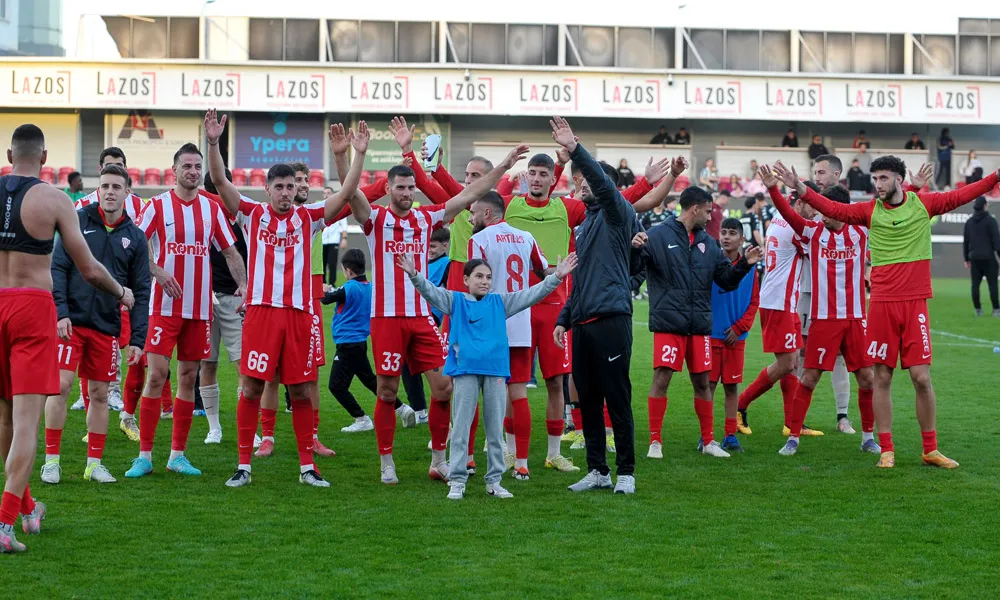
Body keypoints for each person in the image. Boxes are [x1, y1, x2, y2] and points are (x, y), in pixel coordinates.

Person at [346, 129, 528, 486]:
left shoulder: (425, 218)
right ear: (388, 189)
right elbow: (351, 192)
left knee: (444, 388)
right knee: (387, 391)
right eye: (400, 187)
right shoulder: (376, 220)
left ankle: (439, 461)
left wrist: (504, 166)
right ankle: (387, 462)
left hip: (421, 316)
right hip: (386, 317)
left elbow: (470, 194)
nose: (407, 192)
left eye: (411, 187)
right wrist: (352, 155)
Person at [795, 155, 999, 468]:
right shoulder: (869, 211)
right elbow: (834, 209)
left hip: (915, 303)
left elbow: (961, 195)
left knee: (921, 378)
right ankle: (886, 449)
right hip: (881, 305)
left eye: (883, 178)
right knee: (882, 377)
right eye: (875, 178)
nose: (877, 184)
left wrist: (995, 177)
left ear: (899, 180)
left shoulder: (923, 204)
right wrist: (801, 189)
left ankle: (930, 449)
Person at [203, 113, 366, 488]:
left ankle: (307, 467)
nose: (286, 192)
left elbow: (346, 193)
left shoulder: (310, 217)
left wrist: (355, 155)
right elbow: (221, 181)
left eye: (290, 186)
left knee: (301, 390)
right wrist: (213, 143)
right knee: (252, 388)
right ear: (267, 189)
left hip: (298, 315)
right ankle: (244, 466)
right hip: (261, 314)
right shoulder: (252, 214)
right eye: (279, 186)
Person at [0, 124, 133, 553]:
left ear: (9, 155)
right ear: (43, 157)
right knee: (26, 424)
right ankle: (4, 525)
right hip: (32, 309)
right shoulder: (55, 199)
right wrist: (121, 292)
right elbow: (89, 268)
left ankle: (28, 508)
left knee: (5, 418)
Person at [404, 252, 577, 499]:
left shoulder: (500, 302)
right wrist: (414, 274)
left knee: (495, 431)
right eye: (478, 276)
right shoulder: (455, 301)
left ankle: (494, 481)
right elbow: (430, 292)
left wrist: (556, 277)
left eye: (488, 277)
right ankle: (457, 481)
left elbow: (531, 295)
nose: (484, 281)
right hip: (465, 372)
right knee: (461, 429)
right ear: (466, 280)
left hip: (495, 372)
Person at [124, 141, 247, 480]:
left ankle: (177, 455)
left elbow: (230, 251)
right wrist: (158, 271)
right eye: (187, 166)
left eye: (197, 167)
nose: (193, 172)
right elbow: (135, 250)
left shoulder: (211, 208)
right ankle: (144, 456)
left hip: (199, 309)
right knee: (156, 375)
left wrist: (244, 285)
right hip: (163, 308)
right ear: (174, 170)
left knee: (188, 378)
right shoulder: (157, 206)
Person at [547, 116, 640, 495]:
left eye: (587, 180)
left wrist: (574, 150)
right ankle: (598, 470)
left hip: (611, 319)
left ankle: (626, 473)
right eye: (579, 181)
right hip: (583, 323)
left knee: (617, 398)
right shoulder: (583, 227)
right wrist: (564, 318)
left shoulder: (618, 214)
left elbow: (602, 183)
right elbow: (581, 280)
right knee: (587, 400)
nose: (581, 185)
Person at [40, 163, 150, 485]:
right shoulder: (78, 220)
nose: (110, 192)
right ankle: (51, 461)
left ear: (127, 192)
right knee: (60, 386)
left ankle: (94, 464)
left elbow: (141, 291)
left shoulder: (135, 237)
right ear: (98, 189)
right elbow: (58, 268)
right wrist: (60, 312)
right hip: (70, 323)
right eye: (105, 186)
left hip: (106, 326)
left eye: (116, 187)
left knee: (100, 393)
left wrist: (138, 339)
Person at [635, 186, 760, 460]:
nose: (710, 216)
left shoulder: (709, 244)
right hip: (669, 323)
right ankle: (655, 441)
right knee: (661, 379)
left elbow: (725, 281)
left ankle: (708, 441)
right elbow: (635, 271)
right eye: (708, 211)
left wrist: (745, 265)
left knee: (703, 383)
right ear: (695, 209)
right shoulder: (657, 236)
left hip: (699, 325)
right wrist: (635, 250)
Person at [763, 166, 878, 457]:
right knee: (809, 378)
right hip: (824, 319)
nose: (821, 214)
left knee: (867, 378)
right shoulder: (813, 232)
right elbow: (788, 214)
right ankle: (793, 438)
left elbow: (890, 207)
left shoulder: (861, 231)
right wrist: (774, 189)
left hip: (855, 318)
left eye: (826, 209)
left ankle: (868, 437)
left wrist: (913, 187)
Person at [468, 190, 579, 479]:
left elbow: (476, 283)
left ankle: (469, 460)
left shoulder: (479, 240)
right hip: (521, 321)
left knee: (474, 389)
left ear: (487, 213)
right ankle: (521, 462)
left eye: (473, 213)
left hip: (492, 320)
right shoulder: (525, 237)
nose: (470, 219)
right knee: (517, 393)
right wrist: (559, 273)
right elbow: (543, 271)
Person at [736, 172, 819, 437]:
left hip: (783, 300)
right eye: (812, 206)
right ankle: (740, 405)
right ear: (798, 202)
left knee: (791, 362)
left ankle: (792, 423)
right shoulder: (795, 228)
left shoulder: (778, 219)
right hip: (779, 302)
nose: (815, 212)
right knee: (786, 363)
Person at [74, 146, 148, 423]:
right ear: (100, 171)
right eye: (108, 165)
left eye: (119, 165)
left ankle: (124, 406)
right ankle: (88, 396)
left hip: (124, 296)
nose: (111, 189)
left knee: (134, 354)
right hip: (87, 298)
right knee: (88, 353)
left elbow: (144, 246)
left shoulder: (140, 206)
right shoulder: (82, 208)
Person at [803, 156, 861, 433]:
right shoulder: (809, 204)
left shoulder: (850, 212)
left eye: (822, 172)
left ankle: (842, 416)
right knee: (799, 355)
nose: (817, 177)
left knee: (840, 357)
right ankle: (795, 420)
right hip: (806, 289)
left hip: (838, 298)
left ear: (837, 174)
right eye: (815, 172)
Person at [197, 168, 248, 445]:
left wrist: (246, 286)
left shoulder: (241, 218)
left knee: (243, 366)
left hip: (234, 300)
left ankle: (246, 429)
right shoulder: (201, 220)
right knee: (208, 363)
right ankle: (213, 427)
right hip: (206, 300)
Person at [709, 218, 759, 454]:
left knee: (731, 387)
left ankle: (730, 434)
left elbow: (754, 301)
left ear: (741, 239)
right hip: (711, 335)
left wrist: (739, 328)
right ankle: (706, 436)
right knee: (708, 387)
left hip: (736, 338)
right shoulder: (711, 262)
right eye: (723, 232)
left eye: (732, 233)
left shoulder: (750, 267)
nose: (726, 237)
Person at [963, 196, 1000, 317]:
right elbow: (997, 242)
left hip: (974, 258)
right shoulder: (991, 221)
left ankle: (978, 309)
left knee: (975, 285)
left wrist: (966, 258)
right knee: (993, 284)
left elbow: (966, 242)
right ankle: (996, 309)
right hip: (989, 257)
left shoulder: (969, 222)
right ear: (984, 206)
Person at [321, 186, 349, 285]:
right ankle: (322, 285)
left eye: (328, 193)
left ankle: (332, 284)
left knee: (332, 264)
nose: (326, 195)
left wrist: (344, 238)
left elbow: (344, 225)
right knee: (321, 265)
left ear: (332, 194)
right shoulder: (320, 208)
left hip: (333, 240)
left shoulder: (339, 209)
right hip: (322, 241)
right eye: (324, 193)